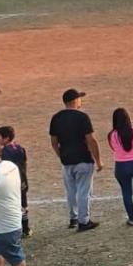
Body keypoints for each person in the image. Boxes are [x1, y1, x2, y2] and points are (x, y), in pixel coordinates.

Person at [50, 89, 102, 230]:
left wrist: (61, 155)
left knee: (71, 191)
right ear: (75, 101)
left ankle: (73, 217)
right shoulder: (82, 117)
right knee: (84, 191)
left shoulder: (56, 118)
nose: (81, 100)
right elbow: (91, 140)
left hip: (67, 160)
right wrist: (98, 160)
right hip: (83, 159)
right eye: (79, 98)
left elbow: (54, 141)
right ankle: (83, 221)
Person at [0, 126, 30, 236]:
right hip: (22, 180)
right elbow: (25, 163)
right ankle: (26, 229)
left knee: (12, 204)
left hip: (11, 182)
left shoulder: (4, 152)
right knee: (23, 204)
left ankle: (15, 229)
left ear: (6, 138)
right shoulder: (20, 148)